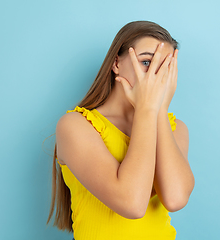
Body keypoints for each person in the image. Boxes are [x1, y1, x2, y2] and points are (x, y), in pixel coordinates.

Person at [46, 20, 195, 240]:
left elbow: (175, 199)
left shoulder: (175, 128)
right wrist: (146, 108)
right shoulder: (75, 126)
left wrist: (159, 109)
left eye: (165, 67)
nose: (154, 75)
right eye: (146, 62)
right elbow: (132, 204)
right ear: (116, 63)